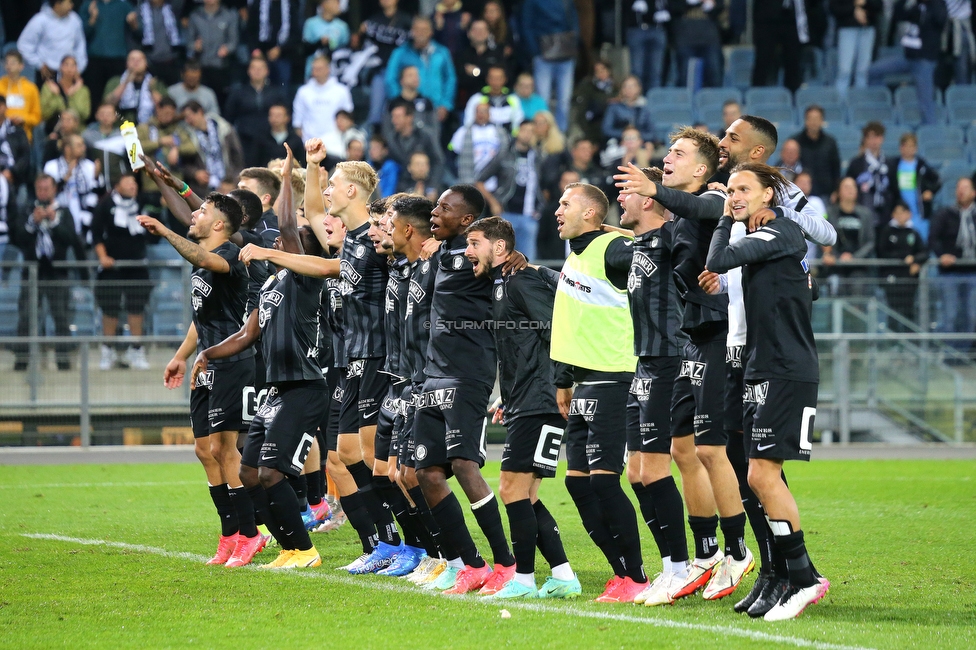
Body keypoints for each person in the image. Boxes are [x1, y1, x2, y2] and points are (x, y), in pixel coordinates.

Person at [699, 113, 836, 615]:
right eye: (728, 190)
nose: (732, 196)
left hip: (784, 367)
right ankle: (785, 575)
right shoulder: (758, 235)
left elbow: (717, 260)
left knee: (762, 475)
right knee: (756, 475)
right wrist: (733, 215)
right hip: (760, 363)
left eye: (741, 189)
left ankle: (800, 577)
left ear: (768, 195)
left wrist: (725, 217)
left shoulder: (780, 232)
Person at [613, 129, 749, 607]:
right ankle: (708, 553)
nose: (668, 158)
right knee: (684, 451)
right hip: (690, 339)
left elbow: (712, 210)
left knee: (713, 451)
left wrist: (655, 192)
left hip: (714, 337)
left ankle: (736, 551)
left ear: (702, 169)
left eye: (679, 153)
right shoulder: (675, 223)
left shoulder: (713, 197)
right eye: (668, 152)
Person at [193, 146, 326, 568]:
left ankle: (304, 550)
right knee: (249, 471)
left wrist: (289, 175)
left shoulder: (304, 279)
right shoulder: (271, 285)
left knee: (271, 472)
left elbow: (287, 223)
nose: (288, 241)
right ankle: (286, 547)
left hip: (303, 385)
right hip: (274, 388)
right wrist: (206, 354)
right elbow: (247, 334)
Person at [138, 192, 265, 567]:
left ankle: (250, 534)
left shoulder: (229, 257)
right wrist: (181, 356)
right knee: (204, 451)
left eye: (202, 211)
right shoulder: (203, 265)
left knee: (226, 451)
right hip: (206, 365)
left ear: (219, 225)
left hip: (234, 363)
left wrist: (163, 230)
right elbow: (200, 319)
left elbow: (201, 256)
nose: (194, 215)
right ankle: (229, 536)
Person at [461, 216, 581, 600]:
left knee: (512, 488)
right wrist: (506, 398)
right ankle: (562, 575)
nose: (468, 252)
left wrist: (563, 385)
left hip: (542, 399)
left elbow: (557, 331)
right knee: (524, 494)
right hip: (525, 399)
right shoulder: (505, 282)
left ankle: (524, 580)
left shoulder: (523, 279)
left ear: (499, 248)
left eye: (474, 243)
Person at [413, 185, 517, 595]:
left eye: (444, 207)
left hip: (467, 376)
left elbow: (504, 259)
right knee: (426, 472)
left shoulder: (480, 255)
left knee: (463, 466)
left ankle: (506, 564)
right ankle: (471, 565)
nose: (434, 212)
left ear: (468, 219)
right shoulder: (440, 254)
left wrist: (511, 259)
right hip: (433, 376)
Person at [549, 181, 648, 602]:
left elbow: (657, 265)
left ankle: (637, 576)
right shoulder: (577, 254)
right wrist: (564, 379)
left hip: (615, 377)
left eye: (566, 203)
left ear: (591, 213)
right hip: (585, 380)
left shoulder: (614, 250)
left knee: (606, 483)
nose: (557, 209)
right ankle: (620, 573)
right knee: (577, 484)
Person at [612, 166, 696, 606]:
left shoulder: (672, 236)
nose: (619, 200)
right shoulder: (639, 243)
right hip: (642, 362)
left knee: (658, 469)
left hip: (668, 359)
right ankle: (671, 564)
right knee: (637, 472)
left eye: (625, 193)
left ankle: (681, 568)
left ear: (648, 199)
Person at [12, 174, 86, 372]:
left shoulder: (64, 212)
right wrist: (32, 223)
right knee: (26, 317)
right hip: (32, 272)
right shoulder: (26, 210)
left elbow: (71, 239)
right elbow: (18, 238)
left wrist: (54, 222)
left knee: (61, 317)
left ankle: (63, 361)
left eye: (46, 188)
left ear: (54, 190)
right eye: (40, 189)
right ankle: (21, 361)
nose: (43, 192)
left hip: (57, 272)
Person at [90, 174, 152, 371]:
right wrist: (103, 257)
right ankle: (107, 351)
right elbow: (96, 233)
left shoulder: (141, 201)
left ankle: (137, 350)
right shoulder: (105, 205)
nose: (133, 185)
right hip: (112, 267)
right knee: (110, 309)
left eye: (135, 182)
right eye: (128, 182)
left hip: (137, 266)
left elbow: (162, 201)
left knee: (136, 309)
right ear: (117, 185)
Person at [868, 0, 947, 125]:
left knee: (925, 102)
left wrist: (929, 4)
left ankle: (930, 129)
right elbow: (899, 15)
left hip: (924, 61)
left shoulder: (937, 5)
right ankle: (883, 107)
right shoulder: (917, 6)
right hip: (908, 57)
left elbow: (941, 20)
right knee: (874, 70)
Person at [478, 119, 541, 260]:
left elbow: (542, 184)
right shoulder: (505, 154)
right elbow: (480, 179)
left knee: (527, 263)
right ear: (518, 132)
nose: (528, 135)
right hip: (506, 213)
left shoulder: (537, 156)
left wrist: (540, 204)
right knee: (500, 259)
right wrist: (493, 202)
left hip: (529, 216)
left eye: (531, 131)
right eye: (525, 130)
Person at [385, 17, 457, 134]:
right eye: (417, 29)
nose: (420, 33)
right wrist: (400, 104)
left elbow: (450, 79)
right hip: (409, 109)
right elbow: (390, 79)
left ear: (431, 32)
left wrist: (445, 104)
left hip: (436, 107)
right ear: (412, 31)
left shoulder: (442, 52)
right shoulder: (400, 53)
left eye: (424, 29)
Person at [929, 177, 976, 351]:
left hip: (973, 272)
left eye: (965, 187)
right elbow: (933, 239)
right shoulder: (944, 213)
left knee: (971, 315)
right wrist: (942, 255)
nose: (961, 191)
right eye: (958, 187)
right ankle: (949, 354)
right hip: (950, 273)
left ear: (973, 192)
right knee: (950, 314)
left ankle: (963, 354)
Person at [520, 0, 579, 132]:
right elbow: (526, 25)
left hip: (565, 51)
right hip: (543, 53)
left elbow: (574, 20)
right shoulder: (531, 2)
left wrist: (573, 41)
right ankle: (543, 133)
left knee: (564, 99)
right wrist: (535, 51)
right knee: (543, 100)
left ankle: (560, 135)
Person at [225, 56, 288, 167]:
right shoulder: (238, 92)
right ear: (248, 71)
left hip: (269, 141)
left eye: (261, 68)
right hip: (244, 140)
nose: (257, 71)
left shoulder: (276, 93)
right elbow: (229, 117)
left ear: (267, 71)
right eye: (254, 68)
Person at [359, 0, 413, 127]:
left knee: (400, 110)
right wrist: (360, 33)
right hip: (380, 71)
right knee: (376, 113)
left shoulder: (406, 20)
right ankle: (375, 141)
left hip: (401, 73)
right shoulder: (374, 20)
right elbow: (362, 45)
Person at [79, 0, 139, 112]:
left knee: (118, 95)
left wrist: (133, 23)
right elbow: (81, 34)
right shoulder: (88, 5)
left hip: (117, 59)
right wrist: (92, 18)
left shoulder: (124, 5)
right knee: (94, 97)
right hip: (94, 59)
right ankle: (94, 126)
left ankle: (117, 125)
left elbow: (140, 34)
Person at [877, 201, 927, 331]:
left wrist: (915, 260)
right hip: (891, 277)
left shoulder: (913, 232)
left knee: (908, 310)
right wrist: (903, 258)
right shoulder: (886, 231)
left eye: (903, 212)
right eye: (897, 212)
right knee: (892, 311)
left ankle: (909, 341)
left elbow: (924, 252)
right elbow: (882, 252)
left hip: (909, 279)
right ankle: (892, 342)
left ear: (909, 214)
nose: (900, 215)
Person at [43, 134, 100, 243]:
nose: (84, 148)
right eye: (79, 145)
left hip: (85, 222)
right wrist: (66, 177)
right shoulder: (51, 166)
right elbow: (47, 194)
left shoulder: (89, 166)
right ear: (68, 148)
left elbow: (98, 195)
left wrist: (96, 178)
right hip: (59, 221)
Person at [292, 53, 353, 154]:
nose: (316, 72)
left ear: (328, 69)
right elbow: (297, 122)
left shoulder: (342, 91)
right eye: (314, 69)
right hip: (309, 144)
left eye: (319, 69)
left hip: (335, 145)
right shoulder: (303, 92)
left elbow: (348, 119)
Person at [16, 0, 88, 83]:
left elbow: (80, 46)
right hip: (47, 72)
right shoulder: (40, 20)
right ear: (57, 4)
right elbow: (24, 45)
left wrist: (79, 68)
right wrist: (39, 64)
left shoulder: (75, 20)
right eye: (68, 3)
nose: (71, 6)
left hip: (69, 72)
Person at [182, 101, 244, 193]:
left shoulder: (224, 129)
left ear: (200, 112)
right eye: (185, 118)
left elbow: (237, 156)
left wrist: (234, 180)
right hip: (203, 187)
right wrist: (195, 173)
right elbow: (184, 164)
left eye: (189, 116)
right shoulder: (186, 135)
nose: (187, 121)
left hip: (228, 183)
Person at [890, 132, 940, 242]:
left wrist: (930, 191)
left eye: (912, 146)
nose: (909, 149)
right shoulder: (893, 165)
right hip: (899, 214)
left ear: (916, 148)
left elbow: (937, 180)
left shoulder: (922, 165)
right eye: (906, 146)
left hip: (919, 215)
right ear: (901, 148)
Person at [386, 100, 445, 191]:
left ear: (409, 117)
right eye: (393, 116)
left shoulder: (425, 135)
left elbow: (438, 161)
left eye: (397, 117)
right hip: (401, 185)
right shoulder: (392, 139)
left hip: (426, 183)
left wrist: (432, 187)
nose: (393, 120)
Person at [185, 0, 237, 103]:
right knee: (201, 100)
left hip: (221, 66)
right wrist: (195, 45)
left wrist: (227, 49)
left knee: (221, 100)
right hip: (201, 66)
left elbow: (233, 42)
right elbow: (188, 42)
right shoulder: (195, 16)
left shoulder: (229, 15)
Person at [450, 103, 509, 190]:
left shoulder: (500, 132)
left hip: (495, 182)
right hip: (469, 182)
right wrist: (458, 173)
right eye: (478, 112)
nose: (481, 114)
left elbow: (506, 154)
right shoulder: (463, 131)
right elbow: (452, 153)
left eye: (484, 111)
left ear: (489, 114)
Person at [751, 0, 807, 92]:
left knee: (793, 62)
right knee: (763, 61)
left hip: (793, 16)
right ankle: (756, 96)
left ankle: (792, 97)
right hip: (766, 18)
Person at [831, 0, 884, 98]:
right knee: (844, 70)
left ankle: (860, 101)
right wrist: (854, 8)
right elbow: (834, 9)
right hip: (847, 29)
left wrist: (865, 4)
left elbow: (878, 6)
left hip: (867, 28)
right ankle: (840, 102)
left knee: (863, 71)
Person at [243, 0, 300, 88]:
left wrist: (280, 49)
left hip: (283, 54)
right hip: (260, 53)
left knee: (282, 84)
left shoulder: (290, 4)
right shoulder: (257, 4)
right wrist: (255, 50)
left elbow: (296, 34)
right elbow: (250, 30)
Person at [846, 121, 893, 225]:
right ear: (865, 140)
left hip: (885, 214)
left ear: (882, 139)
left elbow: (894, 189)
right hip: (862, 212)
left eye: (876, 136)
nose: (873, 141)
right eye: (870, 137)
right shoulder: (856, 163)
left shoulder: (890, 163)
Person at [104, 49, 168, 125]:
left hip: (149, 126)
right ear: (126, 63)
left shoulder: (155, 83)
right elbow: (107, 104)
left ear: (146, 63)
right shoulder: (115, 81)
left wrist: (152, 90)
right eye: (132, 59)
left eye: (139, 60)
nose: (136, 62)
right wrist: (125, 84)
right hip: (121, 126)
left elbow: (165, 108)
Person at [383, 65, 441, 149]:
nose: (415, 78)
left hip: (423, 150)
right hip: (398, 148)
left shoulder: (427, 102)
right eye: (410, 75)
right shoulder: (393, 103)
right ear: (401, 80)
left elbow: (434, 129)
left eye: (417, 75)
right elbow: (387, 130)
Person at [791, 106, 840, 200]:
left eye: (817, 119)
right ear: (806, 120)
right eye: (811, 119)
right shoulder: (796, 142)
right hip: (800, 194)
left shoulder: (830, 142)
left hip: (826, 193)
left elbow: (836, 169)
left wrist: (836, 190)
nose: (814, 122)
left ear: (822, 121)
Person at [671, 0, 724, 88]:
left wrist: (709, 5)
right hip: (685, 38)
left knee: (714, 76)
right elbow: (674, 8)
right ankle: (685, 101)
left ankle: (713, 101)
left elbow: (720, 7)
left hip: (710, 39)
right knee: (685, 77)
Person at [455, 19, 504, 109]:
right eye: (476, 30)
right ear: (468, 33)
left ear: (489, 33)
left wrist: (476, 72)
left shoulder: (497, 54)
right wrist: (485, 73)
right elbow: (461, 79)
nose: (479, 32)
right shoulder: (460, 55)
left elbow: (503, 77)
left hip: (494, 105)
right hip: (466, 104)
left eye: (483, 30)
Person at [135, 0, 184, 86]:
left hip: (171, 60)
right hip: (150, 62)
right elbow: (137, 35)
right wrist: (134, 27)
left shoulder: (173, 8)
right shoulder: (140, 10)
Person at [624, 0, 670, 90]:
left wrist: (668, 11)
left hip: (658, 29)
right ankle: (637, 99)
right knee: (637, 71)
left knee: (656, 72)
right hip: (637, 29)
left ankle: (653, 100)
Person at [463, 66, 523, 133]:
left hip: (508, 140)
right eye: (492, 78)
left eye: (499, 78)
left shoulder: (514, 99)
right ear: (487, 79)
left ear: (505, 79)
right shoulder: (476, 99)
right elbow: (468, 123)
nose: (495, 81)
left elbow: (518, 123)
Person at [571, 59, 616, 146]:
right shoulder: (587, 87)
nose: (600, 73)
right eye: (597, 71)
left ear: (609, 71)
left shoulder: (617, 88)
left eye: (603, 69)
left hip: (612, 132)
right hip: (592, 129)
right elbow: (581, 113)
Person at [40, 55, 92, 131]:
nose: (69, 69)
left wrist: (71, 96)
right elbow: (45, 113)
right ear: (60, 67)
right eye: (66, 65)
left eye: (73, 65)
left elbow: (84, 114)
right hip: (54, 126)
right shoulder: (49, 87)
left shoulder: (83, 90)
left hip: (77, 129)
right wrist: (56, 96)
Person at [302, 0, 350, 79]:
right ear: (324, 4)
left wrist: (331, 44)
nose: (338, 5)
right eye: (335, 2)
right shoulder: (310, 23)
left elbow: (345, 51)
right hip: (313, 74)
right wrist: (320, 43)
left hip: (335, 74)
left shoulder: (343, 26)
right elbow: (304, 50)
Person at [0, 51, 42, 140]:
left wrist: (24, 119)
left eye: (13, 63)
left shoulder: (31, 88)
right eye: (7, 62)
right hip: (2, 134)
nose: (9, 66)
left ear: (21, 66)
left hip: (24, 136)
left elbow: (37, 117)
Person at [601, 75, 655, 145]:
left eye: (632, 86)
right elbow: (606, 129)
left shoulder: (645, 107)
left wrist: (635, 137)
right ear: (621, 89)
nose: (629, 89)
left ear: (639, 88)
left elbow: (652, 134)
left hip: (640, 143)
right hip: (618, 143)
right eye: (625, 86)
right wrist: (626, 135)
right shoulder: (614, 107)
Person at [237, 166, 281, 247]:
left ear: (265, 199)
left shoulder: (269, 232)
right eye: (238, 189)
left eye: (244, 190)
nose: (236, 194)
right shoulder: (241, 224)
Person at [255, 103, 305, 170]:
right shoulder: (260, 139)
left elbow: (302, 163)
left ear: (287, 118)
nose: (275, 118)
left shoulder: (295, 140)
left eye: (278, 115)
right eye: (272, 115)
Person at [0, 97, 32, 197]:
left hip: (15, 178)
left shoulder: (18, 130)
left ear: (6, 107)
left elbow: (25, 156)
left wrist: (12, 172)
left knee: (21, 201)